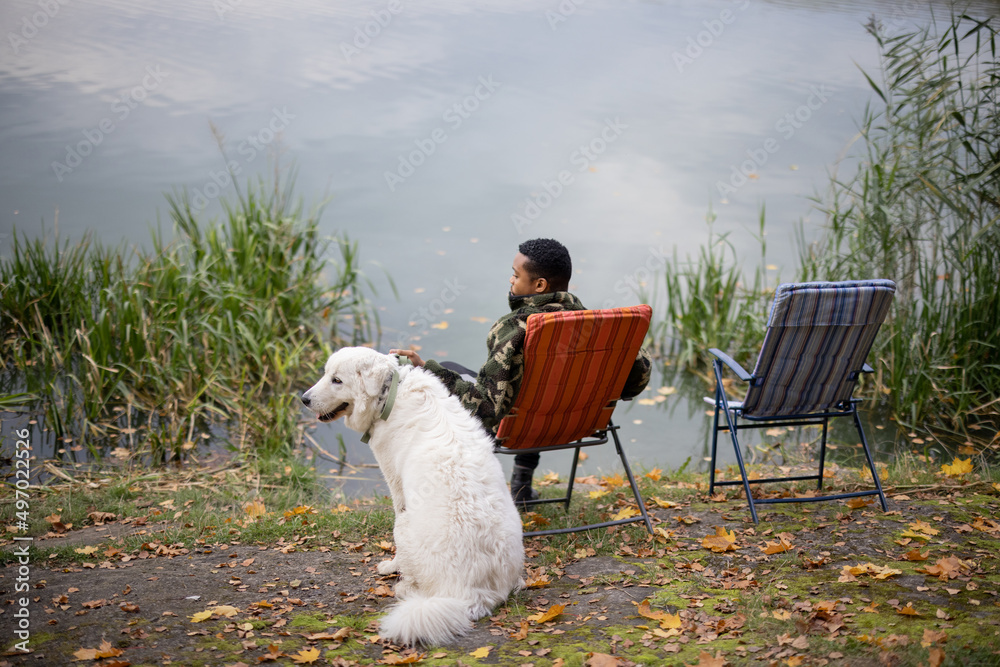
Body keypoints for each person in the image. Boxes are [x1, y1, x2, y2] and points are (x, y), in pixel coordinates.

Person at [390, 238, 651, 506]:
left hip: (522, 431)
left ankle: (453, 493)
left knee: (450, 371)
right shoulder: (607, 327)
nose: (511, 281)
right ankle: (522, 485)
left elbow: (487, 409)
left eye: (516, 275)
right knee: (544, 386)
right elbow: (636, 382)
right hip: (582, 424)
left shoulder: (514, 329)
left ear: (539, 285)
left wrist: (428, 370)